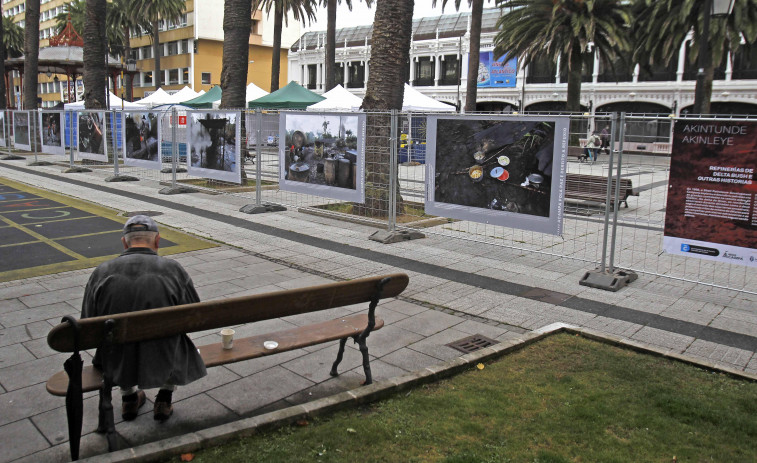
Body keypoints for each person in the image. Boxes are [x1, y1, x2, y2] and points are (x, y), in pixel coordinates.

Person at [81, 215, 207, 422]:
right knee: (175, 338)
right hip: (165, 355)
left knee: (115, 341)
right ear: (157, 241)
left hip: (118, 359)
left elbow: (88, 321)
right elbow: (195, 315)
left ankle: (129, 398)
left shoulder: (100, 273)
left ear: (124, 242)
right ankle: (164, 399)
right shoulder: (173, 269)